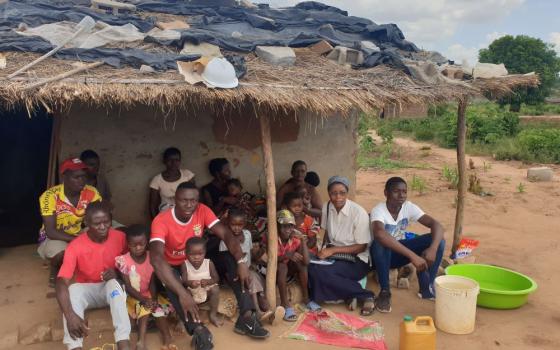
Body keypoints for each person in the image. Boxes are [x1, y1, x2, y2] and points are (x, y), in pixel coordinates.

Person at [149, 182, 269, 350]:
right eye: (184, 200)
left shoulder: (202, 210)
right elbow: (156, 259)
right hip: (176, 267)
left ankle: (247, 317)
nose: (189, 205)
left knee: (230, 258)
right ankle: (198, 329)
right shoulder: (161, 220)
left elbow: (226, 234)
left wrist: (241, 262)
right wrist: (183, 293)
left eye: (193, 200)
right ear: (175, 199)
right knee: (170, 279)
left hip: (199, 261)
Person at [55, 202, 130, 350]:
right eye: (97, 223)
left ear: (111, 220)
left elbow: (133, 263)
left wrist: (118, 272)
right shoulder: (75, 246)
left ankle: (123, 342)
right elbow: (60, 282)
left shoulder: (121, 237)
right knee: (73, 290)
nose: (102, 227)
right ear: (87, 223)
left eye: (106, 222)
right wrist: (70, 315)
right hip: (87, 290)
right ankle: (75, 346)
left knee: (114, 284)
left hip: (111, 290)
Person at [370, 177, 445, 313]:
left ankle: (427, 287)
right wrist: (413, 256)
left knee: (438, 241)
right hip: (382, 257)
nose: (401, 195)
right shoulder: (379, 210)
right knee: (380, 243)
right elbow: (380, 234)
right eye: (396, 191)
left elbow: (436, 225)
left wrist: (433, 248)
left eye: (404, 191)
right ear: (386, 193)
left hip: (400, 252)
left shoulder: (408, 207)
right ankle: (385, 292)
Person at [308, 176, 375, 316]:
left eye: (342, 193)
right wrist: (323, 250)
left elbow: (361, 247)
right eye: (334, 193)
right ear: (328, 193)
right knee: (311, 269)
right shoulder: (327, 207)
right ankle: (348, 294)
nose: (338, 197)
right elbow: (326, 232)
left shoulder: (358, 213)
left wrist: (332, 250)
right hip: (334, 255)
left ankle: (365, 294)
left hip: (357, 259)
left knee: (323, 274)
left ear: (347, 193)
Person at [38, 157, 102, 286]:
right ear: (64, 177)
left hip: (79, 231)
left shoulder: (91, 192)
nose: (81, 181)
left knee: (110, 232)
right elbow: (51, 231)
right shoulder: (50, 196)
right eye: (76, 177)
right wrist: (79, 241)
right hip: (55, 237)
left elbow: (98, 218)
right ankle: (55, 269)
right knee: (63, 253)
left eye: (83, 176)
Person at [115, 225, 174, 350]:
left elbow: (152, 283)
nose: (138, 247)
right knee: (145, 309)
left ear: (146, 242)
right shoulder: (123, 261)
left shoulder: (151, 257)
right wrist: (143, 299)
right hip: (132, 296)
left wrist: (152, 298)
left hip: (148, 294)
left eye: (141, 244)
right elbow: (128, 286)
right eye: (134, 245)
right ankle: (141, 341)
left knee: (156, 308)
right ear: (128, 244)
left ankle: (167, 336)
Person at [264, 210, 312, 322]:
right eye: (284, 226)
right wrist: (287, 255)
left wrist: (302, 240)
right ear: (277, 226)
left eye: (290, 226)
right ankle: (285, 304)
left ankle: (306, 299)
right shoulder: (270, 237)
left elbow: (306, 261)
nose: (287, 230)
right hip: (271, 272)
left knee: (300, 264)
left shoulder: (295, 239)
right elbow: (269, 260)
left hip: (286, 274)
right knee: (282, 266)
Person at [181, 237, 222, 327]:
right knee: (184, 293)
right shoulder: (185, 265)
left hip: (206, 289)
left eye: (200, 254)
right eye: (192, 254)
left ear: (205, 252)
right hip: (192, 291)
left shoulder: (209, 263)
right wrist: (191, 283)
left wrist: (208, 282)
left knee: (215, 289)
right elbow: (183, 281)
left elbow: (216, 278)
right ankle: (188, 318)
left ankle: (213, 314)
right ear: (186, 253)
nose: (196, 257)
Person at [149, 147, 195, 219]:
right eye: (170, 160)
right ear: (164, 161)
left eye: (177, 160)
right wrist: (155, 222)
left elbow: (195, 196)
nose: (173, 163)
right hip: (166, 213)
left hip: (187, 211)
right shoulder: (157, 180)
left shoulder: (187, 175)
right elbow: (153, 205)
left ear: (180, 161)